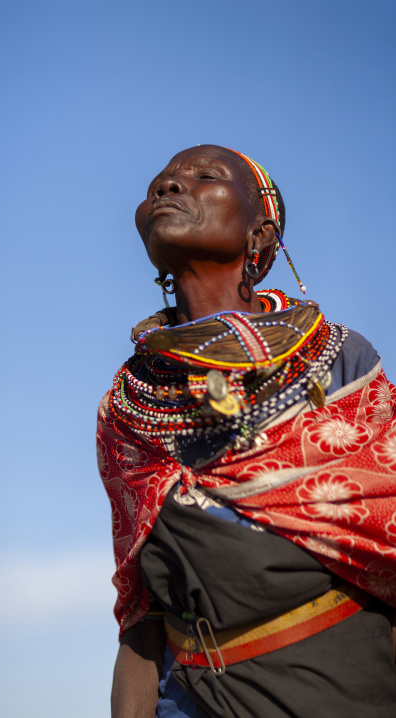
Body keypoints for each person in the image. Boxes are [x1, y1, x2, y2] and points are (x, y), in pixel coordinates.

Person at [97, 145, 396, 718]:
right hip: (188, 699)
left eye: (204, 177)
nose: (168, 187)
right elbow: (142, 613)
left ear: (259, 236)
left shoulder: (338, 361)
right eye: (160, 182)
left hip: (342, 690)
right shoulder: (130, 406)